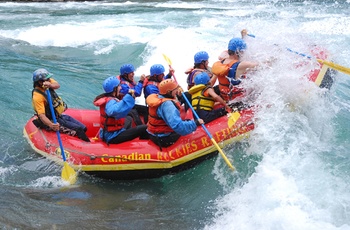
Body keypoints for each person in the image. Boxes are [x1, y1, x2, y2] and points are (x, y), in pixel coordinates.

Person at [31, 68, 90, 142]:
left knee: (83, 128)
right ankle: (86, 145)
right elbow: (41, 115)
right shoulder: (38, 96)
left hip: (59, 116)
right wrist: (51, 125)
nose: (50, 80)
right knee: (78, 129)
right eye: (48, 79)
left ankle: (82, 141)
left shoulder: (47, 83)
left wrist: (50, 85)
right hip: (51, 120)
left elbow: (57, 85)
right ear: (40, 82)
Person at [146, 79, 204, 148]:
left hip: (155, 134)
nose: (177, 90)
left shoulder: (159, 97)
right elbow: (178, 127)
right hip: (164, 138)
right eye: (175, 89)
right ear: (169, 92)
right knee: (190, 122)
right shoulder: (168, 105)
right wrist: (195, 123)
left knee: (187, 121)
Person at [93, 76, 148, 144]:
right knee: (144, 128)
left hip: (110, 132)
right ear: (114, 89)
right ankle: (145, 147)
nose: (121, 87)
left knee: (129, 118)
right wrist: (129, 96)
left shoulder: (108, 98)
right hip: (112, 136)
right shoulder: (110, 101)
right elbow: (113, 111)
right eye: (119, 86)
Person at [212, 37, 259, 102]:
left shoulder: (221, 62)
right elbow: (261, 65)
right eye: (242, 52)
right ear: (238, 52)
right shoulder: (241, 65)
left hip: (225, 97)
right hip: (237, 102)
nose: (243, 53)